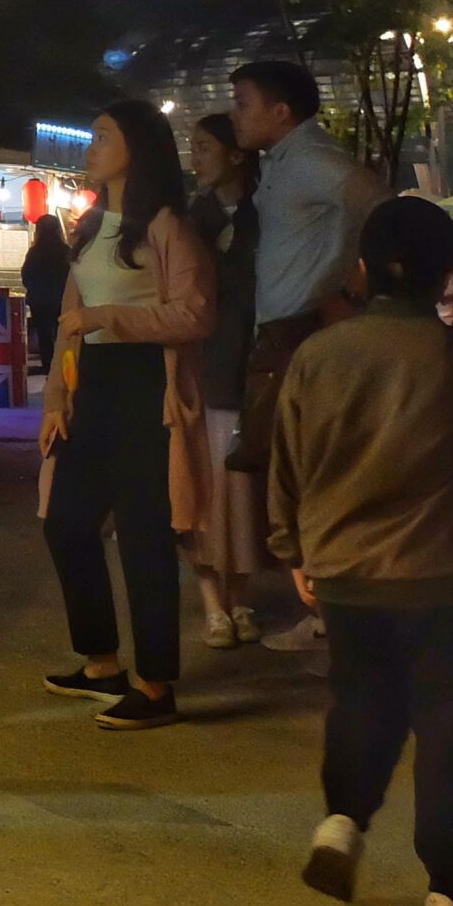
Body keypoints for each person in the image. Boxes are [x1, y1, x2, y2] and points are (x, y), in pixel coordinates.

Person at [276, 197, 453, 906]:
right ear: (447, 273)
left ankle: (342, 823)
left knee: (363, 701)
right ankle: (450, 895)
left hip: (347, 572)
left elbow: (288, 463)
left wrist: (294, 550)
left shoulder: (319, 356)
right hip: (452, 575)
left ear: (362, 269)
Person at [38, 99, 216, 732]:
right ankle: (102, 662)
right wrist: (55, 401)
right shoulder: (90, 227)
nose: (91, 148)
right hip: (93, 386)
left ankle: (155, 684)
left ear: (137, 147)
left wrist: (109, 318)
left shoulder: (166, 225)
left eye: (104, 137)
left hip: (146, 387)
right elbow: (69, 325)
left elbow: (196, 313)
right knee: (65, 523)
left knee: (145, 538)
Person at [230, 59, 387, 653]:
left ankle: (339, 619)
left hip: (304, 332)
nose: (234, 114)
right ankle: (329, 614)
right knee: (298, 473)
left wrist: (351, 282)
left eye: (243, 102)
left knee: (312, 474)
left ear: (280, 112)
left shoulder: (311, 159)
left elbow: (377, 201)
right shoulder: (280, 163)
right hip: (286, 331)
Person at [185, 113, 267, 648]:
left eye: (205, 147)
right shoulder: (193, 219)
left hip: (251, 367)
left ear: (236, 154)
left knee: (243, 492)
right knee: (205, 489)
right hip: (206, 367)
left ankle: (238, 597)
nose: (196, 158)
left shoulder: (268, 214)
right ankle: (214, 604)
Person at [20, 213, 73, 378]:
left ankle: (49, 368)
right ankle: (64, 369)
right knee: (63, 335)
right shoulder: (66, 252)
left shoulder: (35, 252)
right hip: (62, 299)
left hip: (40, 301)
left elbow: (26, 275)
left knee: (44, 336)